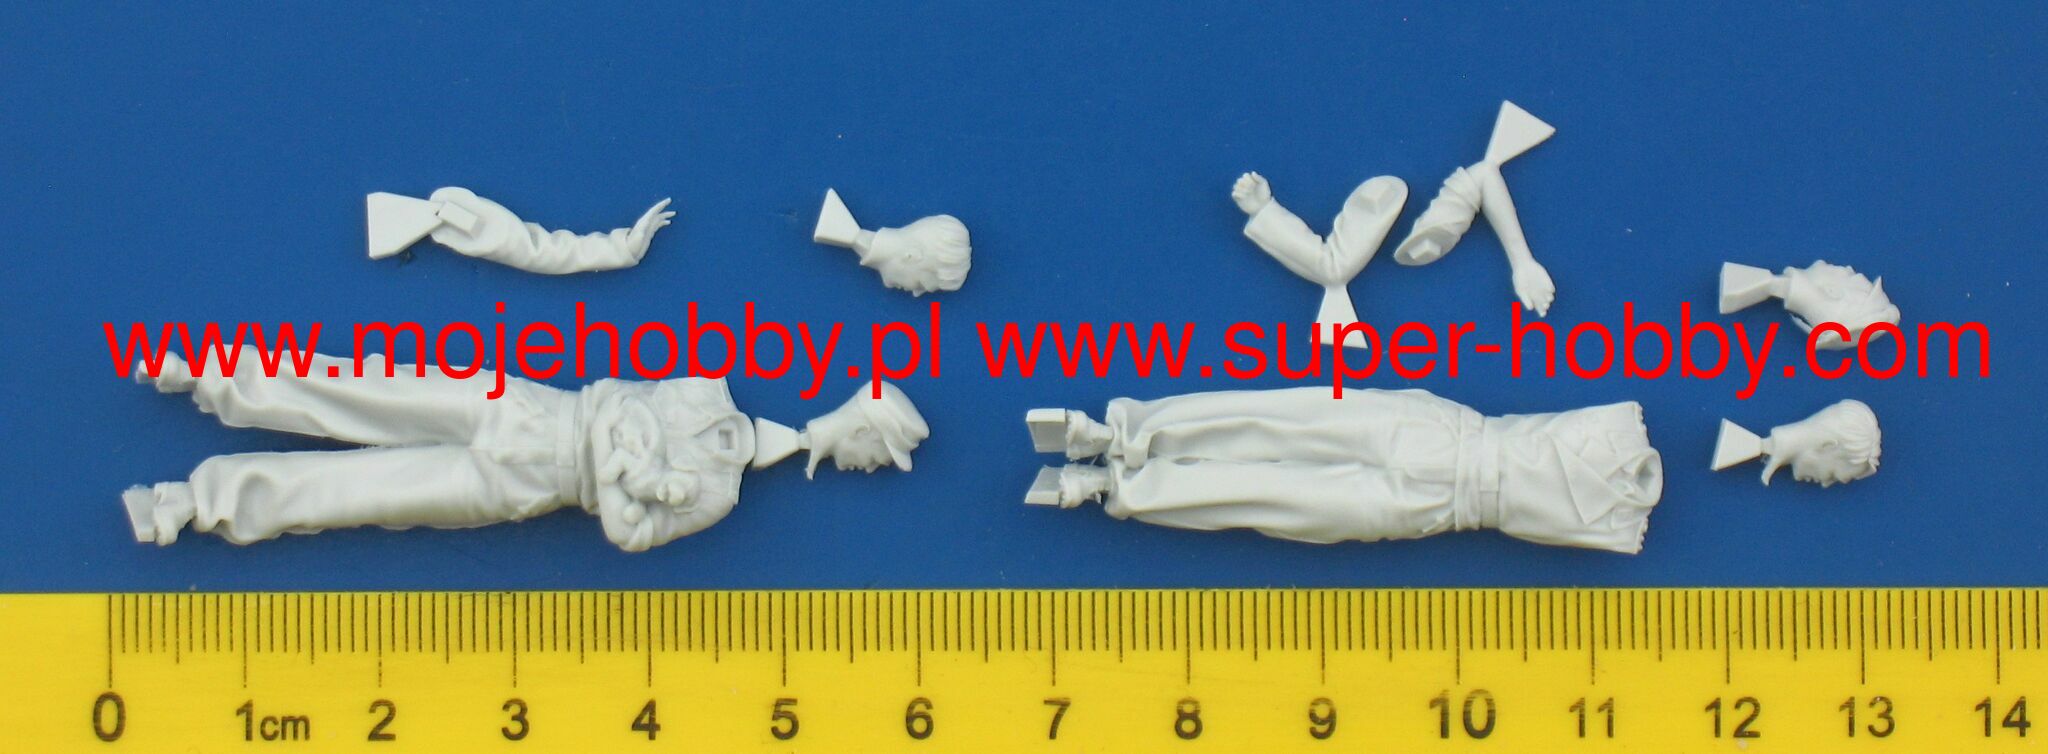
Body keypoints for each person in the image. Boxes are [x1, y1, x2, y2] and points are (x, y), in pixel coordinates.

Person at [121, 349, 927, 552]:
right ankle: (211, 375)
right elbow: (614, 395)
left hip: (519, 487)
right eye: (874, 452)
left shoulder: (720, 496)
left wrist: (623, 468)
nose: (863, 464)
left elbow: (628, 534)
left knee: (362, 494)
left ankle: (198, 504)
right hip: (524, 406)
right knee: (362, 386)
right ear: (861, 429)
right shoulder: (709, 390)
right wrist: (630, 469)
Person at [1024, 387, 1663, 554]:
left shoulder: (1612, 526)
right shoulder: (1616, 426)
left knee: (1280, 500)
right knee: (1280, 420)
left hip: (1441, 510)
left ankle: (1116, 485)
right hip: (1446, 434)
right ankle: (1118, 435)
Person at [1711, 399, 1880, 486]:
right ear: (1827, 446)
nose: (1826, 484)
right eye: (1831, 474)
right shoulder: (1738, 443)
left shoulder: (1745, 445)